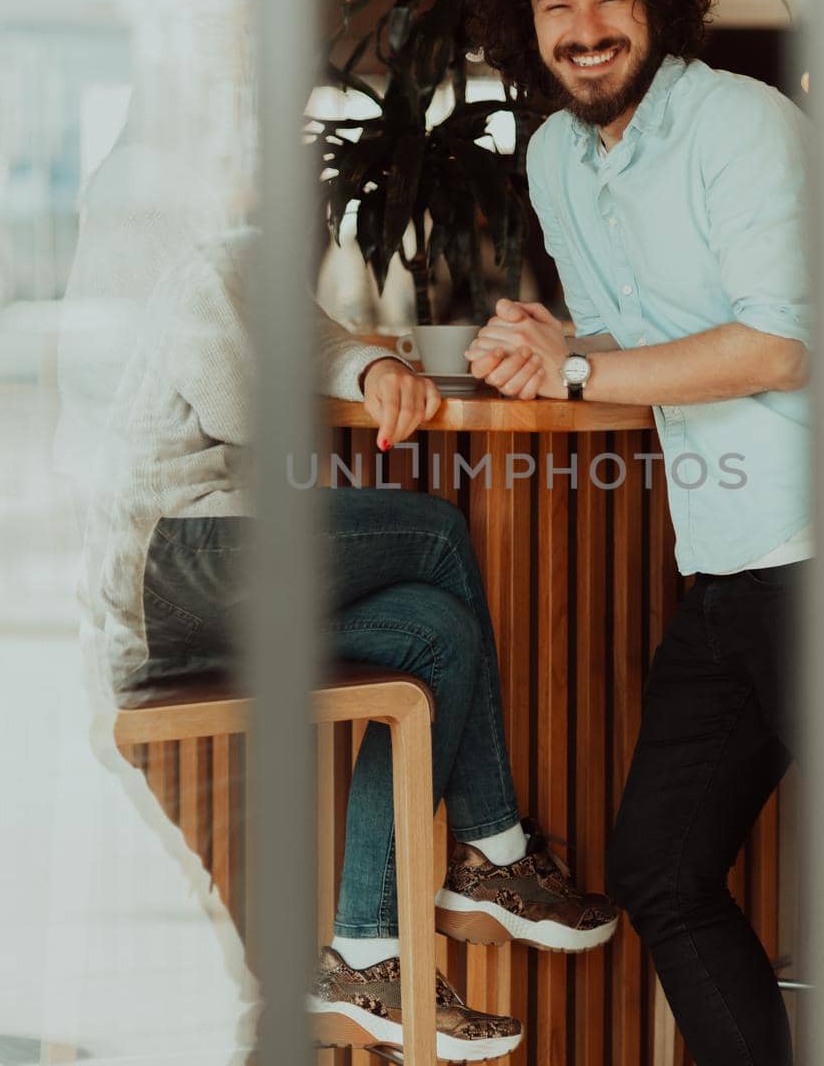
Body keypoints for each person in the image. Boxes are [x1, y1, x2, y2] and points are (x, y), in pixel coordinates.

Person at [456, 0, 824, 1064]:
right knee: (660, 870)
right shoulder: (559, 156)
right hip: (723, 564)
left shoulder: (742, 125)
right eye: (555, 4)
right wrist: (549, 349)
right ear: (526, 25)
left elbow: (778, 343)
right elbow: (624, 344)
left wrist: (572, 378)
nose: (585, 27)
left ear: (657, 5)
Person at [57, 136, 617, 1063]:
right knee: (435, 532)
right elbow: (249, 406)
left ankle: (365, 954)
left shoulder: (240, 265)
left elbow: (315, 341)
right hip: (174, 562)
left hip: (201, 589)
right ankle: (494, 856)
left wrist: (371, 368)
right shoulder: (211, 260)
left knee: (436, 635)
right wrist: (347, 362)